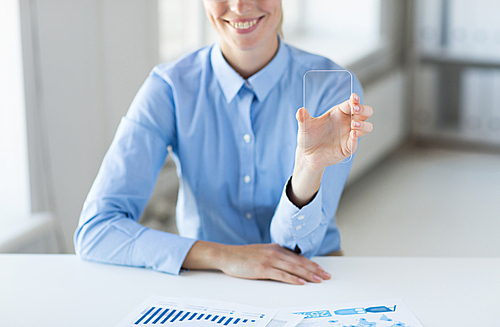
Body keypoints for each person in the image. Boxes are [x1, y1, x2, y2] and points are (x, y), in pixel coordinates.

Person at [74, 0, 373, 285]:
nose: (240, 6)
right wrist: (223, 256)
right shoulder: (169, 88)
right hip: (207, 278)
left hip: (310, 274)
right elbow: (96, 230)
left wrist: (308, 169)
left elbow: (298, 246)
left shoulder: (331, 86)